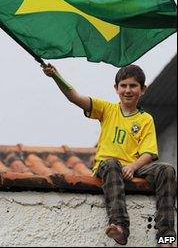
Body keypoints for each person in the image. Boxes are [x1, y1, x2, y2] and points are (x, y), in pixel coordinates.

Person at [42, 63, 176, 247]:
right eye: (124, 85)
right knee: (111, 163)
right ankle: (119, 226)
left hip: (133, 168)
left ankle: (166, 237)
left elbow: (149, 152)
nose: (128, 90)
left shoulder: (145, 119)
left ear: (143, 90)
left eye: (133, 86)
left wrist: (133, 167)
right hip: (108, 168)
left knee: (167, 170)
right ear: (116, 88)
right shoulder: (107, 109)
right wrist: (56, 76)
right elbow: (75, 97)